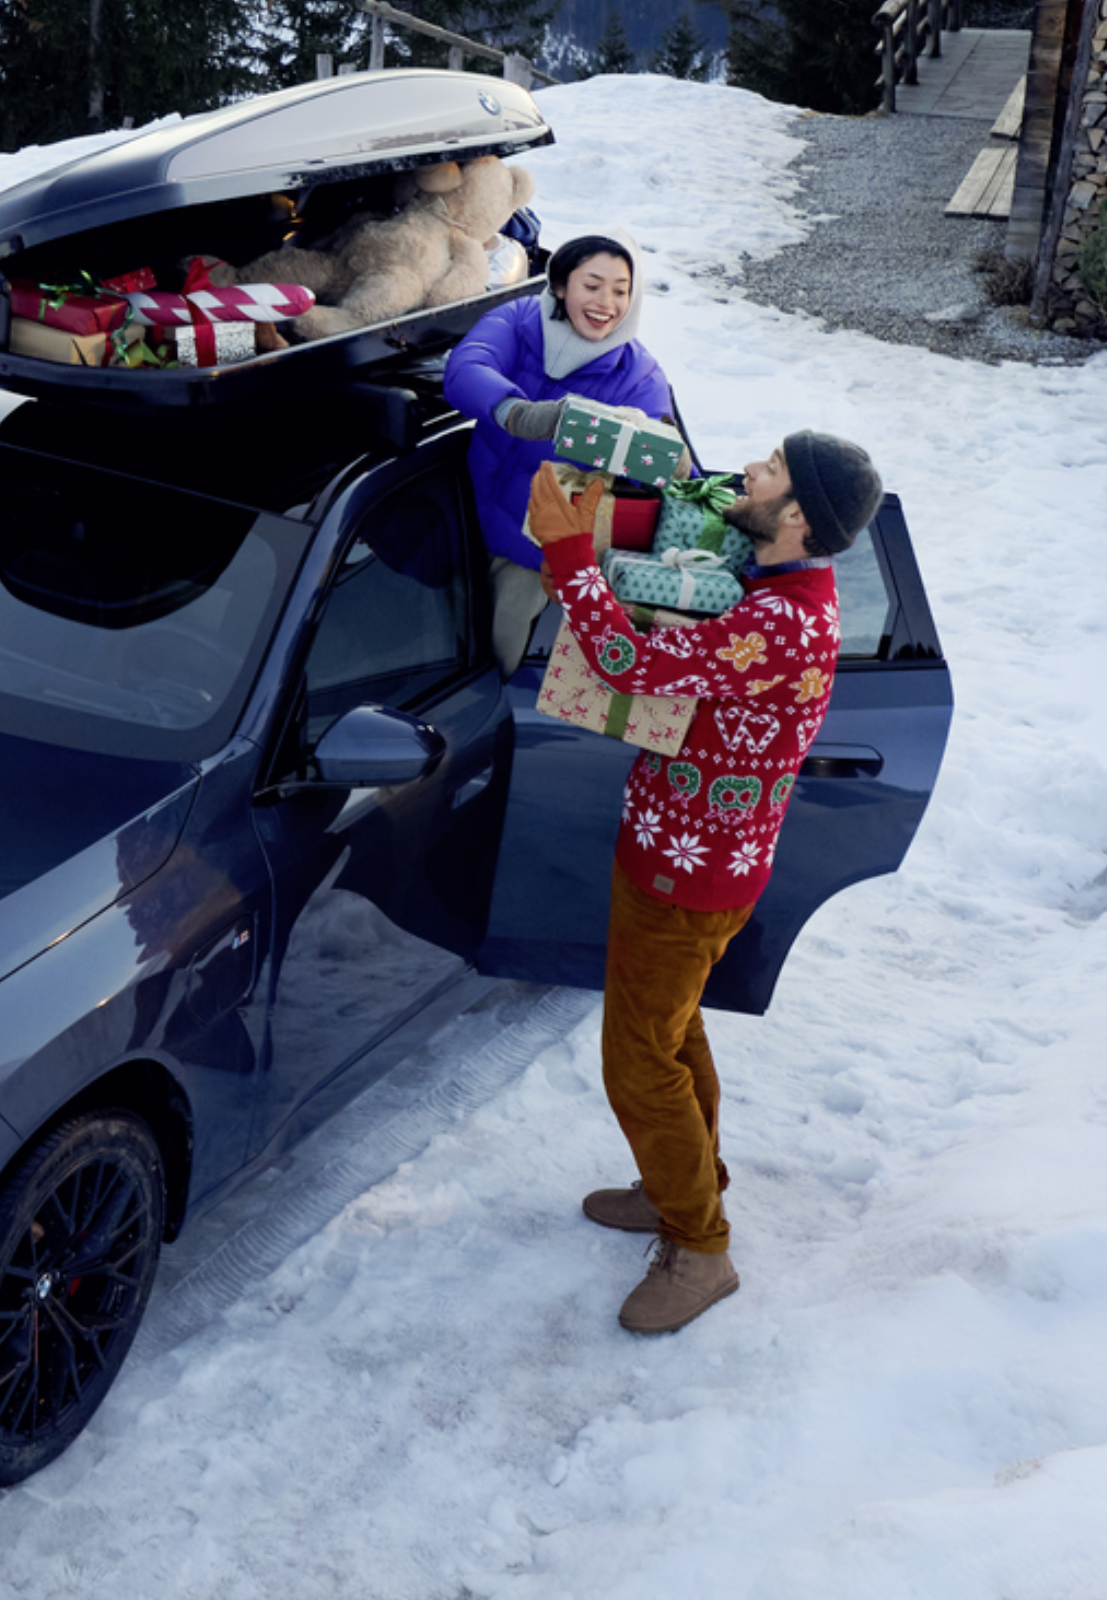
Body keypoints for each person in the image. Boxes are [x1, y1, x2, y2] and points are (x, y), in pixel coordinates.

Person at [523, 432, 884, 1335]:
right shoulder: (778, 582)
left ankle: (701, 1248)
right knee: (672, 1034)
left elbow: (632, 667)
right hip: (681, 854)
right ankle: (678, 1185)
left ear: (797, 518)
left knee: (638, 1061)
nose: (750, 471)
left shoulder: (781, 622)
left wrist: (570, 555)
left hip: (689, 878)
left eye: (772, 469)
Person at [445, 235, 673, 665]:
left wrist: (658, 454)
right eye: (592, 285)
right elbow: (468, 365)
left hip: (536, 557)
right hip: (459, 522)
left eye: (620, 291)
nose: (606, 303)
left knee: (496, 657)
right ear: (561, 284)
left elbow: (663, 470)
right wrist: (514, 412)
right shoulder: (519, 320)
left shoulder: (638, 376)